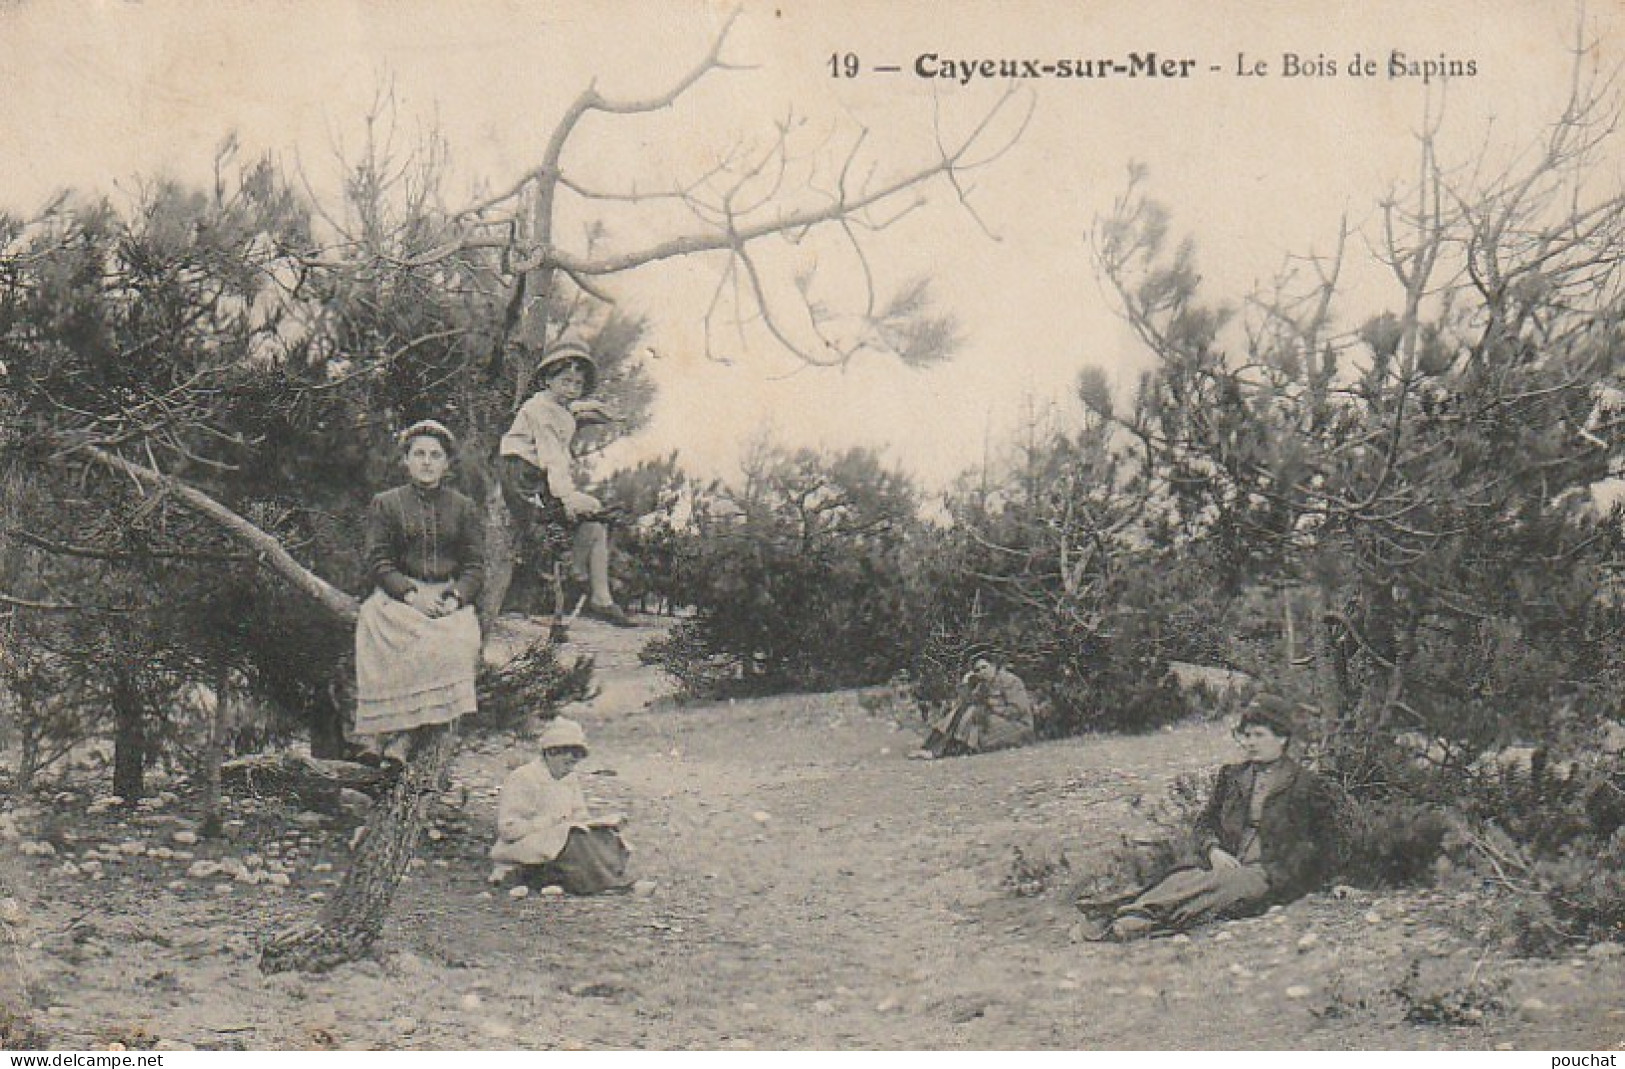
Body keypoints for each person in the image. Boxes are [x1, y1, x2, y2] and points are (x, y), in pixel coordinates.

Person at [1083, 695, 1341, 940]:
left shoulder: (1306, 784)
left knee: (1219, 887)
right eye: (1247, 735)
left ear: (1282, 738)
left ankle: (1129, 918)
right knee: (1185, 879)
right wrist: (1214, 850)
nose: (1251, 742)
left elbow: (1328, 840)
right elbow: (1205, 823)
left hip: (1269, 872)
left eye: (1259, 735)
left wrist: (1335, 881)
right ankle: (1129, 915)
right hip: (1227, 861)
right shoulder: (1232, 776)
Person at [353, 420, 485, 739]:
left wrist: (455, 598)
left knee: (453, 641)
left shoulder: (463, 507)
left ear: (446, 464)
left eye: (435, 455)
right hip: (399, 594)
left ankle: (408, 738)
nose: (427, 462)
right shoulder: (386, 503)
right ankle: (380, 734)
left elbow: (475, 565)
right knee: (378, 629)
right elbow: (378, 559)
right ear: (406, 460)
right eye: (420, 454)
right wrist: (410, 595)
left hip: (445, 596)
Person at [498, 340, 635, 627]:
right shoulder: (539, 411)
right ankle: (574, 575)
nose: (572, 388)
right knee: (585, 510)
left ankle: (600, 597)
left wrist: (598, 410)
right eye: (565, 380)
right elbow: (553, 458)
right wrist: (568, 498)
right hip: (523, 479)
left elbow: (572, 410)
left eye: (578, 383)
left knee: (596, 523)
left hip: (539, 477)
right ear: (547, 379)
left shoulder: (558, 405)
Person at [489, 717, 633, 895]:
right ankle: (605, 884)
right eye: (567, 757)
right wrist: (551, 823)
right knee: (575, 839)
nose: (571, 763)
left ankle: (607, 878)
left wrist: (600, 823)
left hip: (558, 841)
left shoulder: (569, 779)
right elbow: (508, 829)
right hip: (523, 845)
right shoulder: (524, 778)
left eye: (575, 758)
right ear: (551, 753)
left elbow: (580, 814)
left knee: (604, 835)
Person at [912, 648, 1038, 759]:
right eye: (977, 670)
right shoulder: (983, 685)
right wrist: (966, 683)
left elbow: (1018, 711)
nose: (982, 672)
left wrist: (991, 707)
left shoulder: (1010, 681)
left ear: (993, 666)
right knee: (963, 710)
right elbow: (964, 704)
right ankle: (930, 746)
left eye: (984, 667)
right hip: (996, 723)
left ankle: (943, 751)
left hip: (1018, 727)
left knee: (974, 714)